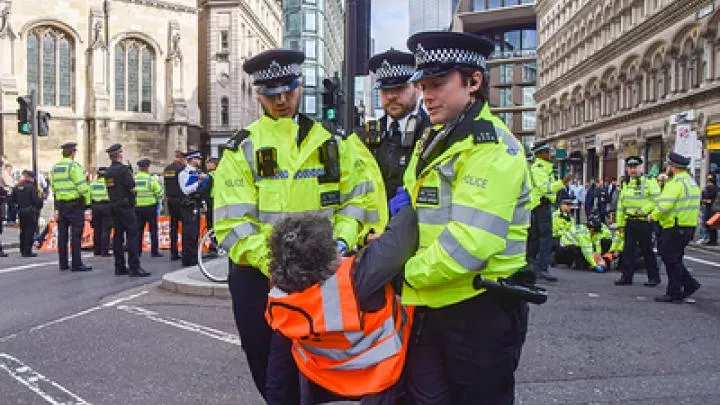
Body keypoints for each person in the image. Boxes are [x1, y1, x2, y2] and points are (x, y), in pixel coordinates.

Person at [212, 48, 387, 404]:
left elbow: (357, 201)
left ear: (300, 86)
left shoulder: (333, 142)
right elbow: (232, 224)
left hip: (323, 274)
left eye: (288, 91)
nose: (281, 101)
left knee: (324, 370)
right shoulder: (240, 149)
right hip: (259, 277)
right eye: (271, 94)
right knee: (267, 370)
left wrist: (338, 244)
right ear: (259, 93)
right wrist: (278, 267)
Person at [400, 31, 532, 405]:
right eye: (423, 85)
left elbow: (471, 243)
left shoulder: (492, 148)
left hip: (480, 308)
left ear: (474, 82)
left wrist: (401, 271)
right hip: (433, 299)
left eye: (438, 83)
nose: (427, 94)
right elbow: (418, 211)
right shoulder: (436, 138)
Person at [266, 206, 417, 405]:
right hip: (378, 380)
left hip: (321, 383)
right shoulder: (358, 277)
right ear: (326, 252)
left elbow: (276, 382)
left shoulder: (281, 299)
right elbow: (402, 234)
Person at [359, 49, 431, 203]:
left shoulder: (434, 132)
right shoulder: (365, 136)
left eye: (399, 88)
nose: (391, 96)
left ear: (417, 88)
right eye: (385, 90)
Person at [650, 153, 701, 303]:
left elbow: (665, 204)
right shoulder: (691, 182)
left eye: (668, 166)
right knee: (675, 258)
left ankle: (681, 288)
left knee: (669, 257)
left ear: (673, 167)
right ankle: (678, 288)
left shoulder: (675, 183)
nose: (667, 168)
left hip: (674, 226)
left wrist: (653, 215)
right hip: (688, 226)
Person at [613, 156, 661, 286]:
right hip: (630, 221)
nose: (632, 170)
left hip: (644, 221)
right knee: (628, 251)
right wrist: (620, 224)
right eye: (630, 168)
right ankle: (626, 277)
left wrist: (645, 210)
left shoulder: (649, 181)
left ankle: (654, 277)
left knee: (647, 250)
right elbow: (621, 206)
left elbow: (657, 200)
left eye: (635, 167)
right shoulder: (626, 184)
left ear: (640, 167)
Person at [104, 144, 150, 277]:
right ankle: (134, 267)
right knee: (132, 235)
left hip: (113, 205)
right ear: (119, 155)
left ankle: (119, 266)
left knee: (118, 236)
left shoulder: (107, 172)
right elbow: (132, 187)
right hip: (125, 206)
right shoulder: (123, 170)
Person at [528, 143, 571, 282]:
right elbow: (544, 188)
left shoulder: (545, 168)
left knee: (535, 238)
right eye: (546, 152)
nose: (549, 155)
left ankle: (532, 268)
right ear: (539, 154)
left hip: (539, 205)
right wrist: (562, 183)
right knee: (545, 238)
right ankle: (542, 269)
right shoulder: (539, 168)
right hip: (541, 205)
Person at [50, 142, 92, 272]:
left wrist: (56, 207)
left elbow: (54, 188)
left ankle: (63, 263)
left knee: (62, 235)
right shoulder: (74, 167)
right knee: (76, 235)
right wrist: (88, 204)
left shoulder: (55, 168)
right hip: (75, 205)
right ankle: (76, 263)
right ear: (73, 153)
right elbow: (82, 187)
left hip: (61, 205)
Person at [178, 151, 208, 267]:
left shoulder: (198, 172)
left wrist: (203, 202)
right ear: (191, 159)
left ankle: (194, 256)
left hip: (196, 204)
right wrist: (198, 182)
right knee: (189, 233)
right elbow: (186, 190)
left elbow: (201, 191)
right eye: (197, 159)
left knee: (195, 233)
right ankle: (188, 258)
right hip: (188, 205)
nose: (199, 161)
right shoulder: (184, 173)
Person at [135, 159, 164, 257]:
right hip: (150, 207)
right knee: (153, 230)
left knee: (138, 230)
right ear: (147, 168)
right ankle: (154, 251)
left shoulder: (134, 178)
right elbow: (159, 192)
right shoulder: (150, 179)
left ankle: (137, 250)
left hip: (137, 207)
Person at [10, 170, 43, 257]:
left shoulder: (17, 187)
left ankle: (22, 249)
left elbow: (12, 200)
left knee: (23, 231)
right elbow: (38, 201)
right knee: (29, 231)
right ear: (31, 178)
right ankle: (27, 251)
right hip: (31, 211)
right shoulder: (32, 188)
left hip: (21, 211)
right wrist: (38, 206)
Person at [164, 150, 186, 261]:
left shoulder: (167, 169)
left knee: (173, 226)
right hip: (180, 199)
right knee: (185, 226)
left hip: (170, 200)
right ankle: (185, 250)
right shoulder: (181, 169)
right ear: (181, 158)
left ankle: (174, 252)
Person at [90, 167, 113, 257]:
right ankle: (105, 251)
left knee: (97, 229)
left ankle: (97, 250)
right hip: (106, 206)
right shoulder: (108, 183)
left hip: (95, 206)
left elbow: (89, 195)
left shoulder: (93, 183)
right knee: (106, 229)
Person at [701, 174, 718, 246]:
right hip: (712, 208)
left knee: (711, 225)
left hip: (712, 209)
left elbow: (706, 196)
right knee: (711, 225)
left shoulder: (712, 189)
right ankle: (712, 240)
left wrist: (705, 191)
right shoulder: (716, 188)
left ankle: (713, 241)